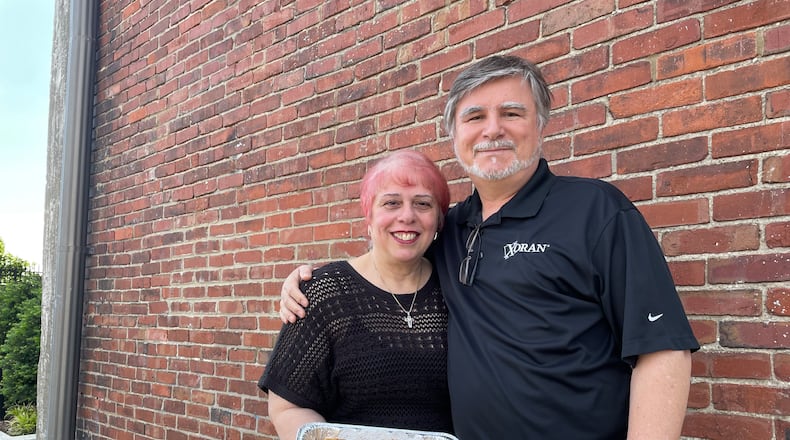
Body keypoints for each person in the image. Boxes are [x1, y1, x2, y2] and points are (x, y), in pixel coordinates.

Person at [279, 56, 700, 439]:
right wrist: (309, 281)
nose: (492, 129)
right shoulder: (450, 229)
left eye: (511, 113)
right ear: (455, 135)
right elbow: (390, 256)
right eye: (474, 116)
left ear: (540, 125)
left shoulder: (597, 211)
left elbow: (663, 349)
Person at [258, 149, 454, 440]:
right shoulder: (324, 293)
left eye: (423, 204)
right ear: (369, 214)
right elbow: (287, 405)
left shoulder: (457, 289)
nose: (407, 215)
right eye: (391, 202)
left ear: (438, 220)